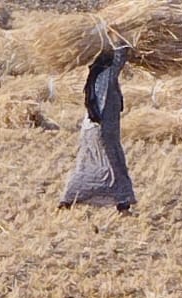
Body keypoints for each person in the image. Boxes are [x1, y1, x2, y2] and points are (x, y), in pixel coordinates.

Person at [58, 46, 135, 213]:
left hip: (97, 130)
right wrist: (121, 39)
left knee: (107, 165)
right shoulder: (105, 76)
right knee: (106, 167)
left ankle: (123, 203)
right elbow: (119, 59)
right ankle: (69, 199)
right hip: (100, 131)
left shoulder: (99, 75)